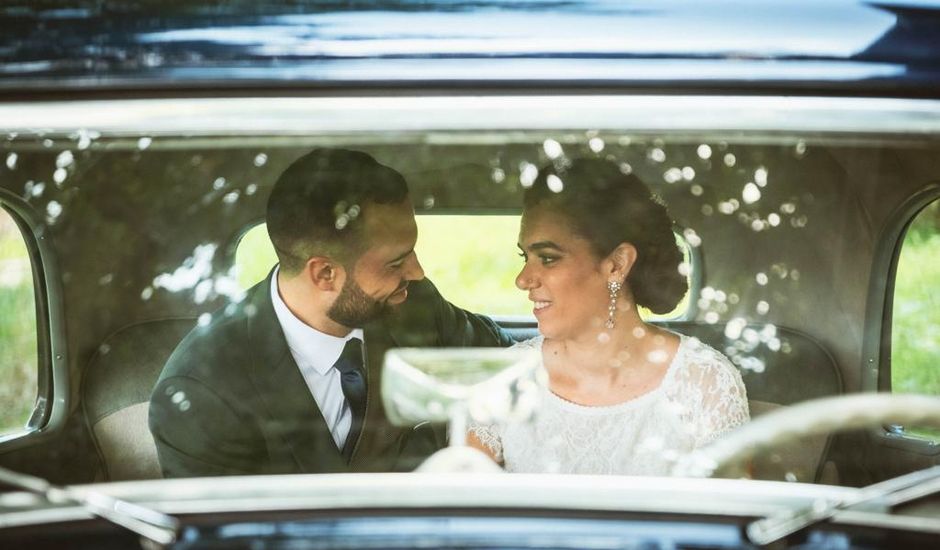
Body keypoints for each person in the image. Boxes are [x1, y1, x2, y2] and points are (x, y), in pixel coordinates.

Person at [149, 148, 512, 477]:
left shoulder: (413, 305)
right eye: (396, 262)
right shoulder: (203, 391)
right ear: (325, 274)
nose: (417, 272)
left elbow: (514, 361)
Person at [469, 158, 749, 475]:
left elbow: (729, 516)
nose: (522, 279)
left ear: (617, 264)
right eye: (525, 257)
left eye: (547, 258)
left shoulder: (704, 383)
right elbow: (461, 512)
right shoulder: (506, 382)